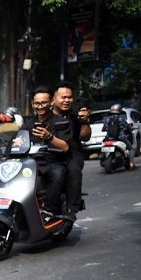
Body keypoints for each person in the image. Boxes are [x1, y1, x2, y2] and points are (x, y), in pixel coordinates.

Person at [28, 86, 71, 218]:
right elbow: (17, 141)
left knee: (58, 174)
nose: (40, 106)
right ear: (32, 103)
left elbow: (65, 146)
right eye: (36, 103)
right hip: (32, 164)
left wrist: (49, 137)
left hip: (53, 162)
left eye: (43, 103)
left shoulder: (61, 122)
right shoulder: (28, 124)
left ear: (51, 102)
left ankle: (49, 210)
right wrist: (1, 148)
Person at [52, 83, 90, 220]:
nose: (67, 100)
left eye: (69, 97)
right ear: (53, 99)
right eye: (63, 97)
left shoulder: (74, 116)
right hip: (48, 154)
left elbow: (85, 137)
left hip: (72, 154)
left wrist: (85, 121)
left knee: (73, 169)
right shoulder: (45, 116)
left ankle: (71, 208)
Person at [102, 103, 135, 170]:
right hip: (121, 138)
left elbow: (103, 129)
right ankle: (131, 163)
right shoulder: (121, 119)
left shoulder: (107, 120)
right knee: (131, 149)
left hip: (108, 138)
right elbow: (127, 127)